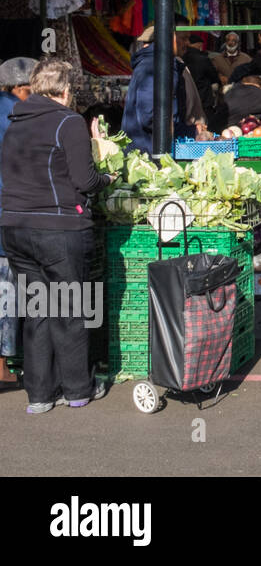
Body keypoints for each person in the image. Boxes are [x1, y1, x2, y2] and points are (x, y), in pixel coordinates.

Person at [1, 59, 112, 412]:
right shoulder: (68, 121)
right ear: (65, 91)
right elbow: (85, 180)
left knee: (38, 311)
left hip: (15, 229)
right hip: (58, 229)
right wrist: (108, 178)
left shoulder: (15, 122)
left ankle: (39, 395)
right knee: (69, 309)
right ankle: (78, 389)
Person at [0, 57, 35, 387]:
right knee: (6, 289)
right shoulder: (16, 115)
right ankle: (2, 367)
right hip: (9, 212)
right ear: (19, 88)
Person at [123, 22, 210, 153]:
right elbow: (151, 117)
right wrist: (190, 131)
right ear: (170, 38)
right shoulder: (156, 66)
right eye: (184, 38)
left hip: (151, 150)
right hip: (149, 154)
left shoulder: (163, 64)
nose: (187, 43)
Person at [182, 34, 224, 131]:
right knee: (205, 126)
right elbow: (214, 77)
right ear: (198, 44)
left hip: (185, 96)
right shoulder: (203, 59)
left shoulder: (182, 57)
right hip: (203, 97)